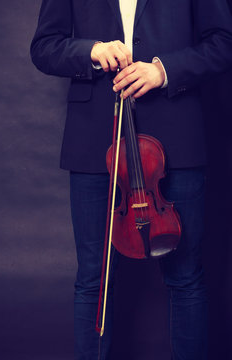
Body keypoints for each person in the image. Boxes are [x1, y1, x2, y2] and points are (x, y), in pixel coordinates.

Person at [30, 1, 232, 359]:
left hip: (178, 137)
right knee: (94, 279)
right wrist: (91, 51)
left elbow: (224, 41)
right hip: (95, 143)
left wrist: (164, 71)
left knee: (186, 277)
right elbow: (44, 47)